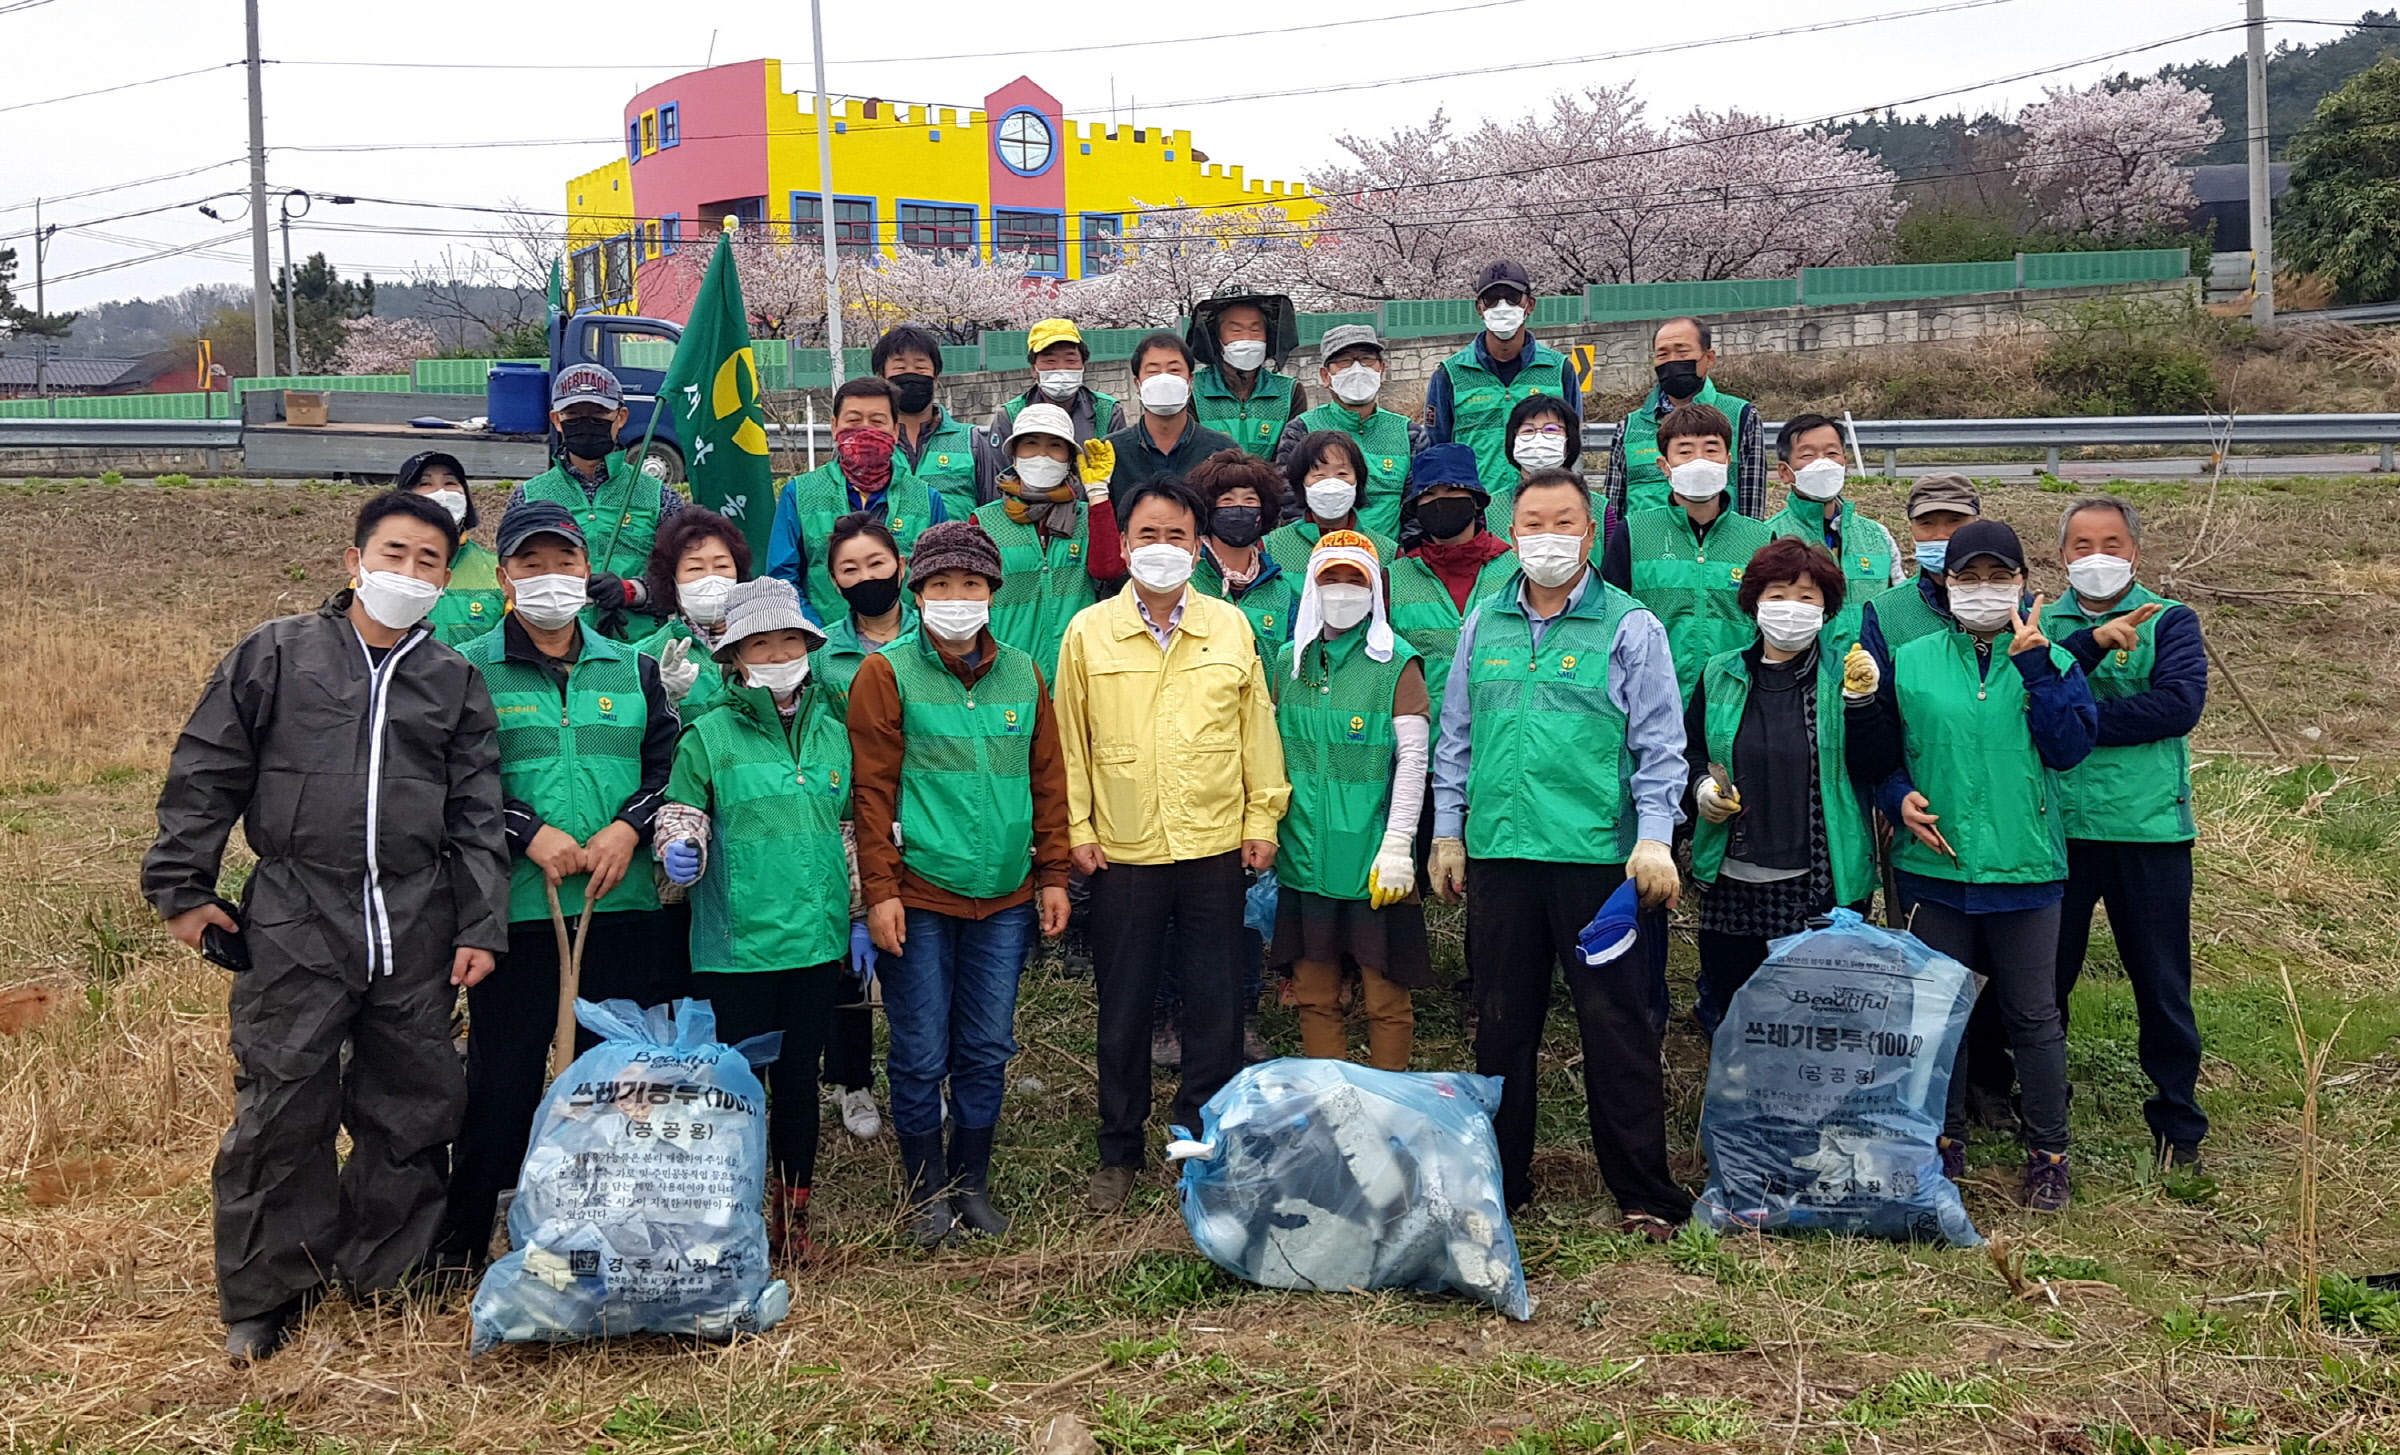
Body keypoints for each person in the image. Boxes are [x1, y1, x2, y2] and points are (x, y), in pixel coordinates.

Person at [143, 492, 509, 1363]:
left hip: (415, 914)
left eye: (431, 561)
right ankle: (268, 1288)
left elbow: (479, 814)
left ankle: (390, 1265)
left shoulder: (452, 680)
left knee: (415, 1099)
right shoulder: (278, 654)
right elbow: (207, 770)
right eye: (395, 553)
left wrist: (482, 923)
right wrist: (183, 888)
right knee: (282, 1099)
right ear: (354, 560)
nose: (409, 573)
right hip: (298, 909)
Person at [1427, 469, 1689, 1235]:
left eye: (1563, 521)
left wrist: (1654, 838)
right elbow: (1456, 737)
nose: (1547, 535)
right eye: (1532, 521)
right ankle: (1501, 1185)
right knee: (1502, 1026)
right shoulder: (1485, 619)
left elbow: (1661, 747)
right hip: (1503, 858)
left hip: (1595, 864)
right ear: (1512, 529)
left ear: (1589, 529)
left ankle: (1643, 1190)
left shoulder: (1630, 625)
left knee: (1617, 1025)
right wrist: (1448, 830)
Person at [447, 500, 685, 1262]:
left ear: (587, 570)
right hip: (518, 908)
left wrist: (629, 826)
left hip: (623, 903)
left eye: (564, 562)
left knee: (618, 1077)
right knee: (505, 1077)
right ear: (506, 577)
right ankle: (467, 1237)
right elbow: (459, 777)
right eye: (531, 564)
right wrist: (528, 832)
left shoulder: (635, 666)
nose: (550, 577)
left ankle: (616, 1233)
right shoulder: (471, 667)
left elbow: (669, 767)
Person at [1845, 518, 2098, 1212]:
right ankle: (1939, 1143)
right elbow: (1878, 751)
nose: (1984, 590)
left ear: (2023, 582)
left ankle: (2049, 1152)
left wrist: (2039, 666)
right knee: (1937, 1015)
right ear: (1944, 584)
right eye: (1969, 577)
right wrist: (1898, 798)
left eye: (1999, 576)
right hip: (1936, 869)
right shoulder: (1915, 658)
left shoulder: (2054, 661)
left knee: (2033, 1015)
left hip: (2025, 869)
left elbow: (2070, 747)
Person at [1053, 479, 1289, 1213]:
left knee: (1215, 1002)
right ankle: (1119, 1147)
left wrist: (1263, 819)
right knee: (1123, 1004)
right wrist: (1081, 831)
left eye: (1177, 536)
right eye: (1148, 535)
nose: (1162, 549)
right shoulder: (1087, 632)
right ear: (1123, 545)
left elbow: (1258, 729)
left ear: (1199, 545)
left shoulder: (1228, 628)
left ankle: (1199, 1137)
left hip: (1214, 841)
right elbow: (1071, 742)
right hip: (1123, 849)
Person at [847, 523, 1073, 1244]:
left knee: (985, 1044)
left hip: (1004, 896)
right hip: (918, 894)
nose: (956, 598)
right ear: (917, 594)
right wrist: (879, 891)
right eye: (941, 585)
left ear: (992, 594)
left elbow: (1048, 784)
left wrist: (1054, 876)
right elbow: (872, 793)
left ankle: (969, 1181)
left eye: (971, 585)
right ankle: (924, 1192)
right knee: (918, 1050)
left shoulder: (1025, 674)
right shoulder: (887, 674)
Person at [654, 577, 853, 1261]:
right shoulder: (708, 735)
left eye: (789, 639)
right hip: (736, 945)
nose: (777, 653)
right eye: (760, 643)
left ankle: (793, 1222)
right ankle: (731, 1222)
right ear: (735, 658)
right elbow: (682, 810)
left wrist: (853, 910)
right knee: (736, 1089)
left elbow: (849, 824)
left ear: (809, 645)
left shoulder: (833, 727)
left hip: (816, 940)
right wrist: (681, 847)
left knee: (799, 1084)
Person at [2041, 496, 2210, 1174]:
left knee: (2162, 982)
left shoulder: (2170, 618)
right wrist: (2061, 701)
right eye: (2081, 544)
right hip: (2061, 830)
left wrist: (2073, 719)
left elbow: (2178, 704)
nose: (2096, 555)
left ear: (2135, 552)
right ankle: (2043, 1106)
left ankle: (2178, 1120)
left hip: (2149, 831)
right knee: (2045, 981)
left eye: (2111, 542)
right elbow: (2026, 700)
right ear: (2062, 555)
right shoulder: (2040, 622)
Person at [1682, 538, 1877, 1035]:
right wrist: (1702, 787)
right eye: (1778, 594)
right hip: (1731, 878)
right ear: (1753, 602)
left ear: (1827, 608)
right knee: (1732, 1006)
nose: (1792, 608)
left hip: (1819, 879)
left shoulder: (1844, 675)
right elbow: (1689, 752)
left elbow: (1875, 763)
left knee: (1813, 1013)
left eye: (1807, 597)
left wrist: (1865, 705)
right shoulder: (1720, 672)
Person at [1269, 531, 1433, 1069]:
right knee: (1314, 994)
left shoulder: (1396, 664)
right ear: (1311, 586)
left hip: (1371, 859)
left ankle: (1387, 1104)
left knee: (1385, 998)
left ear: (1375, 591)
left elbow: (1412, 761)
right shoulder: (1287, 662)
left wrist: (1398, 844)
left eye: (1354, 580)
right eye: (1329, 578)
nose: (1341, 590)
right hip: (1303, 857)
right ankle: (1330, 1104)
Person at [802, 512, 914, 1141]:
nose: (866, 576)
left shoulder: (936, 634)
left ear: (898, 564)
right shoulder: (825, 657)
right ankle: (852, 1081)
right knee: (850, 967)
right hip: (852, 818)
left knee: (917, 958)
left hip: (927, 813)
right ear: (834, 582)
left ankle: (921, 1075)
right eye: (850, 569)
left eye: (876, 563)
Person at [1601, 402, 1774, 705]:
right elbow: (1611, 619)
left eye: (1711, 450)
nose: (1700, 461)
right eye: (1685, 451)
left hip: (1736, 701)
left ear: (1728, 460)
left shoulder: (1760, 538)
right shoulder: (1634, 532)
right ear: (1664, 466)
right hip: (1651, 700)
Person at [506, 363, 683, 634]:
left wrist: (631, 591)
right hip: (554, 650)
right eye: (573, 414)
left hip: (642, 653)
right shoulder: (527, 497)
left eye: (598, 413)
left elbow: (685, 581)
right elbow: (512, 579)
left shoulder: (660, 497)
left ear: (621, 416)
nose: (586, 422)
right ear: (556, 419)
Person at [768, 375, 949, 625]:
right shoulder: (799, 493)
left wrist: (909, 638)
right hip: (823, 647)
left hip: (908, 649)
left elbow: (940, 578)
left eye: (877, 421)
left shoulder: (927, 499)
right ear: (834, 427)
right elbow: (782, 580)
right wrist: (820, 636)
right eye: (853, 420)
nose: (865, 430)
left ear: (895, 430)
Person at [972, 402, 1125, 679]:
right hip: (1008, 671)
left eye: (1055, 446)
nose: (1042, 455)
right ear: (1014, 456)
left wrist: (1099, 494)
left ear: (1069, 458)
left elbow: (1108, 570)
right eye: (1031, 444)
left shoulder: (1088, 515)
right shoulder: (984, 522)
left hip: (1078, 670)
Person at [1387, 444, 1517, 745]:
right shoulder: (1395, 576)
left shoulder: (1516, 568)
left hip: (1502, 745)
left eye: (1450, 491)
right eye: (1428, 496)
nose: (1439, 502)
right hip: (1423, 750)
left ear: (1475, 500)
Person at [1424, 259, 1583, 497]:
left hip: (1546, 504)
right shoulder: (1450, 374)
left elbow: (1573, 440)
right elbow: (1440, 448)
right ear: (1479, 308)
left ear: (1529, 304)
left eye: (1511, 297)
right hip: (1479, 512)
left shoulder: (1559, 369)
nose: (1502, 306)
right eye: (1492, 299)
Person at [1271, 322, 1426, 537]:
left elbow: (1417, 506)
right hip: (1321, 560)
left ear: (1382, 370)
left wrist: (1400, 558)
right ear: (1326, 376)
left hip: (1388, 561)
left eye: (1366, 359)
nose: (1357, 369)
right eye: (1344, 361)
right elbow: (1290, 503)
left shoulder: (1410, 433)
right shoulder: (1301, 430)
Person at [1602, 317, 1765, 521]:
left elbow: (1753, 506)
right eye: (1663, 354)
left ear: (1709, 358)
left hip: (1720, 548)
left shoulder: (1742, 416)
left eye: (1682, 352)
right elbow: (1611, 511)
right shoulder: (1630, 426)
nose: (1672, 361)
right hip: (1645, 549)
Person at [1764, 413, 1902, 599]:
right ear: (1784, 472)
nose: (1822, 463)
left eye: (1831, 454)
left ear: (1845, 464)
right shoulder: (1768, 538)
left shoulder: (1878, 536)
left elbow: (1899, 602)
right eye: (1808, 455)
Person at [634, 506, 751, 721]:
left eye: (722, 566)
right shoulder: (643, 656)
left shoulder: (764, 642)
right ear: (672, 580)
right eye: (695, 569)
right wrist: (660, 699)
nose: (711, 578)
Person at [1858, 473, 1983, 671]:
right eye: (1927, 523)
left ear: (1978, 525)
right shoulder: (1886, 611)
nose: (1941, 534)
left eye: (1955, 521)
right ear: (1911, 533)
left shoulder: (2010, 601)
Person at [1107, 332, 1240, 500]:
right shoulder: (1110, 451)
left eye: (1174, 370)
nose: (1164, 379)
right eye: (1153, 371)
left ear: (1190, 382)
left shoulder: (1222, 450)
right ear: (1137, 384)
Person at [1188, 448, 1299, 648]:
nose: (1239, 508)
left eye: (1250, 500)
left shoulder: (1280, 591)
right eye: (1227, 500)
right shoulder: (1188, 581)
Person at [875, 323, 981, 520]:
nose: (911, 374)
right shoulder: (863, 442)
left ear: (935, 378)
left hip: (955, 549)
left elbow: (993, 509)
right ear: (882, 378)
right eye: (900, 367)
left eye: (920, 367)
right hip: (883, 551)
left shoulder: (973, 441)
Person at [396, 450, 502, 646]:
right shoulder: (381, 566)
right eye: (426, 484)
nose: (442, 493)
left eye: (450, 483)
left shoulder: (496, 571)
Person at [1265, 431, 1401, 581]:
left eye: (1342, 474)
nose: (1331, 484)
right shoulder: (1271, 547)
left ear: (1358, 480)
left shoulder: (1386, 551)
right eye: (1319, 475)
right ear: (1301, 482)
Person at [1186, 291, 1306, 459]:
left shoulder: (1290, 391)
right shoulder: (1193, 389)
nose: (1247, 338)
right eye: (1236, 330)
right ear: (1216, 338)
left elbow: (1292, 459)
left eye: (1256, 330)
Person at [986, 317, 1124, 444]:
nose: (1061, 369)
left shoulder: (1107, 411)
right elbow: (1001, 468)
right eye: (1050, 361)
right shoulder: (1011, 415)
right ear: (1034, 369)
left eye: (1070, 360)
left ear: (1083, 365)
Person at [1487, 393, 1586, 535]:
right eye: (1528, 430)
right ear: (1513, 440)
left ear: (1569, 442)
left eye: (1551, 430)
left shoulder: (1598, 508)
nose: (1538, 438)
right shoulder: (1491, 509)